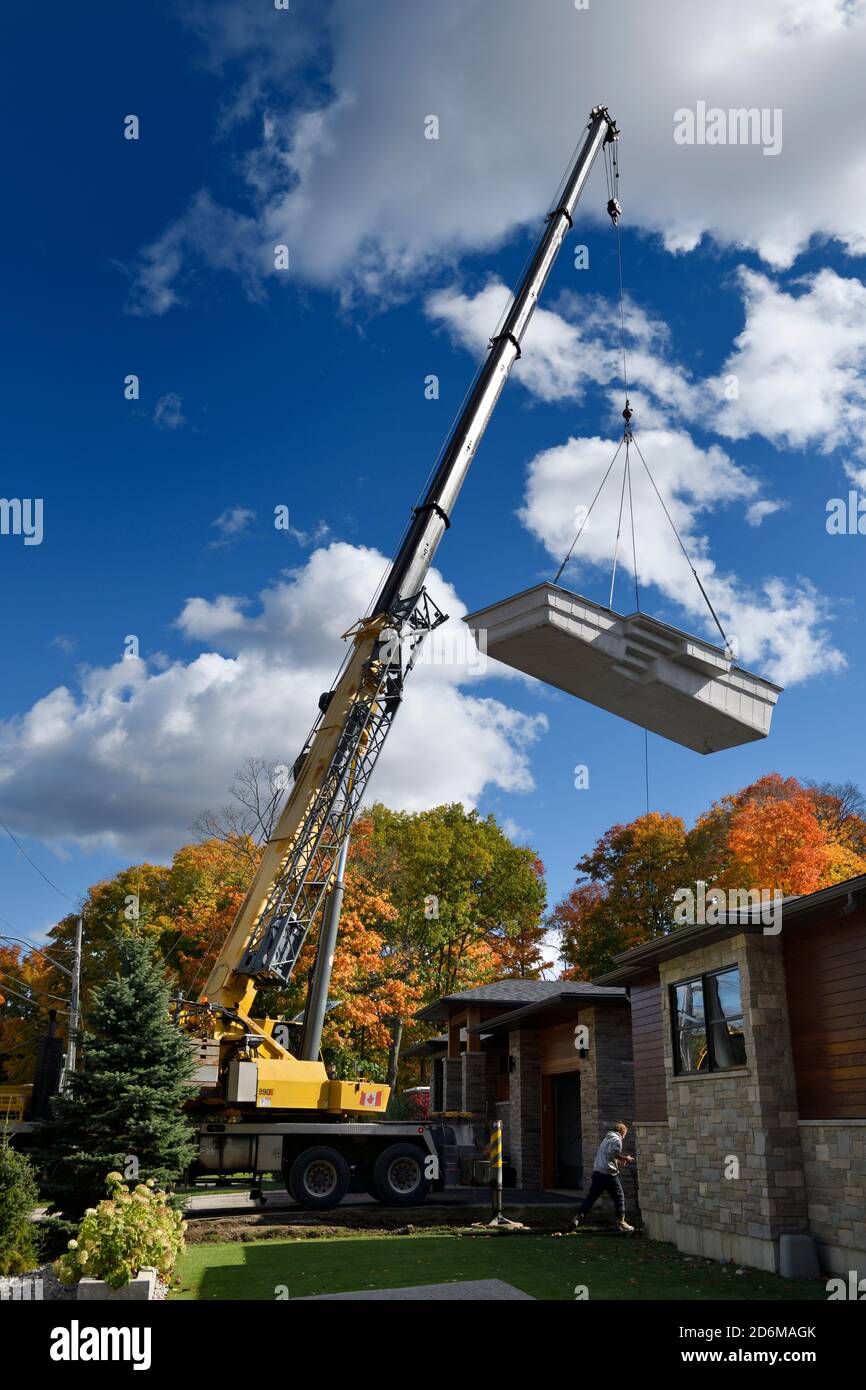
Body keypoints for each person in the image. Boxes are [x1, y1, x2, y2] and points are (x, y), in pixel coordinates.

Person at [573, 1122, 635, 1233]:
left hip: (597, 1172)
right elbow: (615, 1154)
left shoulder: (606, 1139)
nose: (624, 1136)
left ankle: (578, 1218)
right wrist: (626, 1159)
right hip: (609, 1174)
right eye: (625, 1134)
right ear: (622, 1131)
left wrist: (620, 1161)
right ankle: (621, 1222)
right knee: (619, 1197)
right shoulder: (617, 1140)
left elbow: (609, 1155)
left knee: (591, 1198)